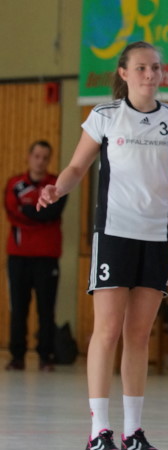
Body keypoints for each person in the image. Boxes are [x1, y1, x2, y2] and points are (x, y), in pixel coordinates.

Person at [37, 41, 168, 450]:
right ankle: (98, 433)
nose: (150, 74)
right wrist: (57, 189)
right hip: (114, 233)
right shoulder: (105, 116)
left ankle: (133, 432)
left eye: (156, 67)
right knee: (107, 331)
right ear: (124, 73)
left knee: (139, 335)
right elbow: (76, 167)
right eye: (141, 67)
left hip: (156, 235)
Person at [4, 140, 67, 371]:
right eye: (37, 156)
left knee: (46, 309)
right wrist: (39, 215)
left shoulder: (57, 184)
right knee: (18, 308)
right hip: (18, 256)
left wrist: (29, 211)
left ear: (49, 160)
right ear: (29, 157)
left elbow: (53, 212)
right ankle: (17, 356)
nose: (40, 161)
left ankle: (45, 356)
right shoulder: (14, 184)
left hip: (47, 257)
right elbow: (13, 211)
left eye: (45, 157)